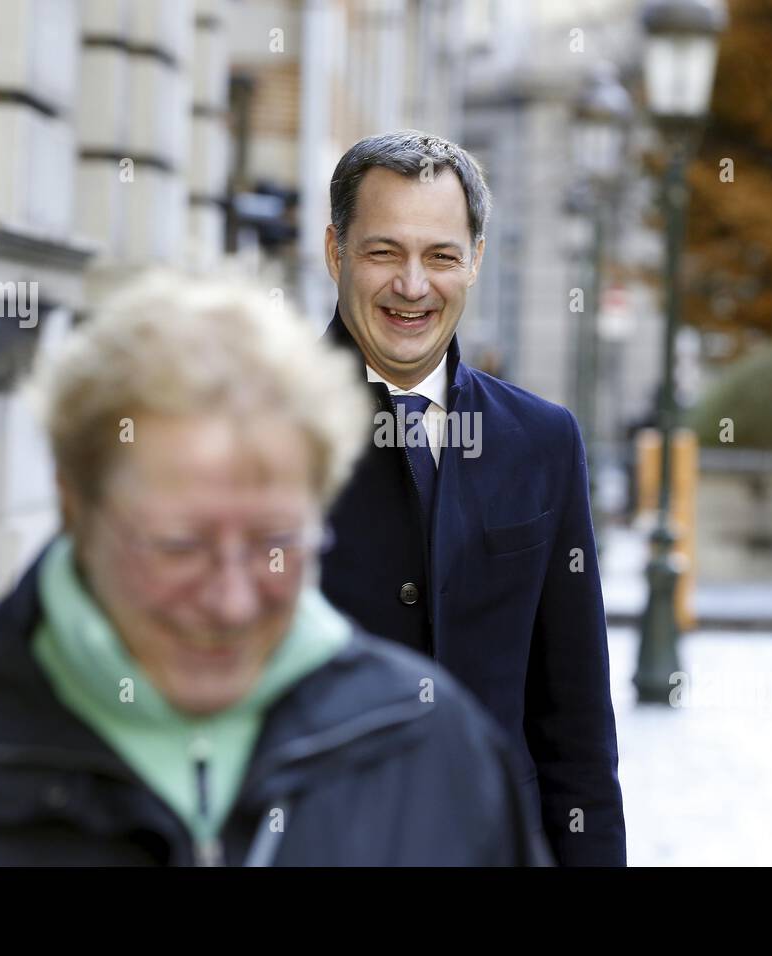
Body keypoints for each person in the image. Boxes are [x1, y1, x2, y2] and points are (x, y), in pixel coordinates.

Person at [0, 275, 551, 867]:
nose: (230, 597)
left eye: (275, 543)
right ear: (74, 505)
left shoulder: (433, 749)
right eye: (178, 546)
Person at [319, 130, 627, 865]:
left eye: (442, 256)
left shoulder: (544, 442)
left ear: (477, 260)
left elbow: (575, 727)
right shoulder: (256, 431)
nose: (413, 285)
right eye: (384, 252)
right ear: (337, 253)